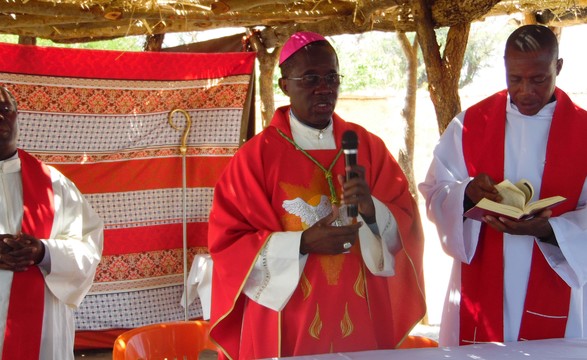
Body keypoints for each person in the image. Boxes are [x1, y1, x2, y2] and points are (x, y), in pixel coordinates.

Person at [207, 31, 426, 359]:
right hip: (289, 315)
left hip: (359, 308)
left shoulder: (367, 146)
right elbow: (229, 245)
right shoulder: (255, 158)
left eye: (331, 77)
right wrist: (303, 243)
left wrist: (372, 208)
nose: (324, 88)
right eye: (310, 78)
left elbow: (406, 229)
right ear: (284, 86)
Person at [419, 24, 587, 346]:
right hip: (482, 279)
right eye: (515, 79)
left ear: (558, 67)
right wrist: (465, 194)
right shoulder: (470, 124)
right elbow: (435, 190)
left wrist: (551, 230)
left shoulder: (583, 131)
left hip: (559, 284)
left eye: (538, 79)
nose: (525, 91)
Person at [0, 86, 104, 360]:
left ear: (17, 116)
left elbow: (88, 250)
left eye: (5, 110)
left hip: (44, 331)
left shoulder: (56, 186)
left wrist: (44, 252)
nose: (0, 118)